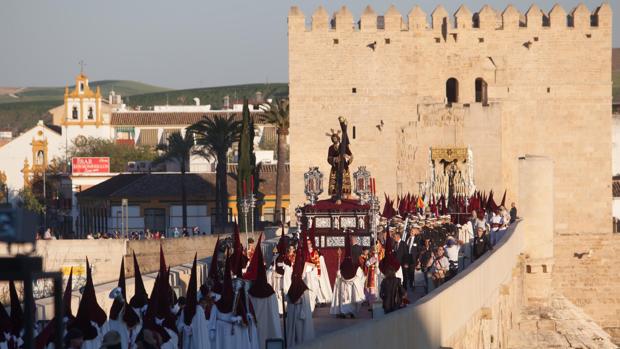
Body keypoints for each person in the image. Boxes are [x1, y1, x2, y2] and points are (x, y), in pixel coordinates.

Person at [330, 233, 365, 319]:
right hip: (353, 277)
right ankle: (351, 311)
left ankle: (346, 311)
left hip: (348, 278)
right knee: (350, 296)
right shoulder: (359, 251)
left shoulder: (347, 260)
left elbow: (339, 271)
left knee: (346, 296)